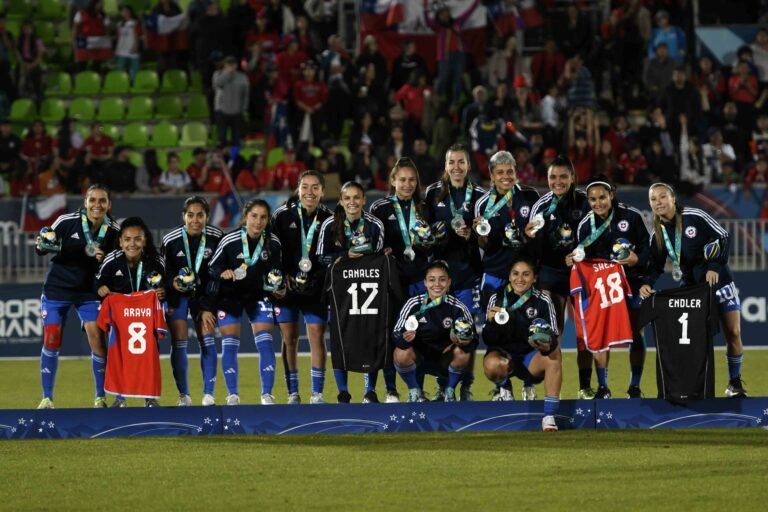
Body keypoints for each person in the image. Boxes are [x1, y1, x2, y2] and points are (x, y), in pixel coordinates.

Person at [640, 183, 747, 398]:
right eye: (653, 199)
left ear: (673, 199)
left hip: (721, 284)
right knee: (694, 341)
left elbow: (723, 236)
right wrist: (647, 283)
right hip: (692, 291)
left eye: (662, 197)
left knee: (733, 334)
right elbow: (656, 266)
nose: (658, 202)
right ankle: (691, 387)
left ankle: (734, 383)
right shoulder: (657, 234)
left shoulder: (694, 216)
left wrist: (714, 267)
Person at [35, 184, 120, 409]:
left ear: (109, 205)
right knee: (52, 337)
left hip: (89, 291)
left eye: (102, 201)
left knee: (98, 340)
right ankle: (46, 398)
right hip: (58, 288)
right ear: (85, 202)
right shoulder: (65, 221)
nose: (97, 205)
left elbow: (115, 265)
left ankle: (100, 397)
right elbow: (42, 245)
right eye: (93, 200)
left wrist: (104, 261)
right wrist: (42, 244)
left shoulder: (114, 231)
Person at [566, 178, 650, 398]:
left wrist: (636, 259)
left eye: (602, 197)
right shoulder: (585, 225)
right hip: (604, 288)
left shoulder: (631, 216)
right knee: (601, 335)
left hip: (632, 283)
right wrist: (574, 259)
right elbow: (583, 261)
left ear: (611, 194)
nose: (598, 203)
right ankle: (603, 387)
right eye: (592, 199)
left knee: (636, 333)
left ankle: (635, 386)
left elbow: (648, 250)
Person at [474, 150, 539, 400]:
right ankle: (503, 385)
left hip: (524, 276)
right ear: (491, 175)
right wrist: (479, 232)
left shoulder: (530, 196)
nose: (505, 176)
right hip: (495, 275)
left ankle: (527, 380)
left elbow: (538, 234)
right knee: (495, 329)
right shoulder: (483, 204)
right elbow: (483, 244)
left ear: (516, 172)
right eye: (500, 172)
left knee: (527, 326)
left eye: (509, 171)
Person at [526, 155, 591, 398]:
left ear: (573, 178)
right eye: (553, 177)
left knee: (584, 333)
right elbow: (532, 247)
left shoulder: (584, 203)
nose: (558, 181)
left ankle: (585, 386)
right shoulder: (541, 205)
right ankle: (544, 389)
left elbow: (593, 236)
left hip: (580, 274)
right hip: (550, 275)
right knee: (551, 334)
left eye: (563, 176)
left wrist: (579, 255)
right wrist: (529, 237)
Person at [206, 199, 283, 405]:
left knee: (266, 340)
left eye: (263, 217)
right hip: (230, 295)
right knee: (230, 343)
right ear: (245, 217)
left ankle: (267, 394)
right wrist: (224, 272)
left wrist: (278, 283)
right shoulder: (230, 240)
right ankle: (233, 395)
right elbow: (212, 268)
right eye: (254, 216)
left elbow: (276, 272)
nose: (258, 222)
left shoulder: (273, 242)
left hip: (258, 295)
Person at [370, 157, 434, 402]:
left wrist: (428, 243)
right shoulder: (380, 208)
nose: (407, 184)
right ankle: (390, 389)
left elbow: (431, 245)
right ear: (393, 181)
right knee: (390, 334)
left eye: (412, 180)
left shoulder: (425, 207)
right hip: (391, 283)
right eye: (402, 180)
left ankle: (416, 389)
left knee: (418, 333)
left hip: (419, 281)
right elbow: (372, 245)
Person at [317, 180, 385, 402]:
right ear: (341, 201)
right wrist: (343, 257)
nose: (352, 202)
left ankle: (369, 391)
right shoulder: (330, 225)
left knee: (370, 337)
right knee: (339, 338)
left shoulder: (375, 225)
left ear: (364, 200)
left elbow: (380, 256)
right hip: (339, 295)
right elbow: (319, 258)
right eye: (347, 198)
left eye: (357, 197)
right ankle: (343, 392)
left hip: (368, 293)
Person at [271, 171, 333, 404]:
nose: (310, 192)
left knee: (317, 336)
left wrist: (318, 279)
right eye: (305, 187)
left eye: (315, 187)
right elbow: (272, 250)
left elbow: (330, 254)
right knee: (290, 339)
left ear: (322, 192)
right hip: (287, 287)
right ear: (298, 189)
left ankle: (317, 393)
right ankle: (293, 393)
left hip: (315, 288)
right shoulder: (282, 215)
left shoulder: (328, 217)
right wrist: (281, 277)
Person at [94, 216, 166, 407]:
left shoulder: (156, 260)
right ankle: (120, 398)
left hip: (146, 317)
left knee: (150, 355)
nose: (132, 244)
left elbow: (167, 285)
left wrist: (163, 291)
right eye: (127, 239)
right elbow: (98, 281)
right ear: (120, 241)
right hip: (121, 317)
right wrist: (100, 289)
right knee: (118, 356)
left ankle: (150, 398)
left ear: (145, 240)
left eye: (137, 239)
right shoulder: (112, 259)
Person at [482, 257, 561, 431]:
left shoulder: (542, 300)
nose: (520, 279)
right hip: (505, 355)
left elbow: (553, 337)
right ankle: (505, 388)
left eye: (526, 274)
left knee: (555, 356)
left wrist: (545, 344)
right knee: (492, 364)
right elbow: (488, 340)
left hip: (531, 357)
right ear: (509, 276)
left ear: (534, 278)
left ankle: (549, 415)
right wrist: (490, 323)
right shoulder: (496, 297)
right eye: (515, 274)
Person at [162, 196, 224, 406]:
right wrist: (173, 283)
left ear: (207, 217)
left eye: (200, 215)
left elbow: (218, 275)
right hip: (177, 295)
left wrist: (207, 307)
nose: (195, 220)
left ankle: (208, 395)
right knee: (179, 340)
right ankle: (184, 396)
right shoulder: (170, 240)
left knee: (207, 337)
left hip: (204, 295)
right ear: (183, 216)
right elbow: (163, 272)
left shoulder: (217, 237)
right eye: (190, 215)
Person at [392, 261, 477, 402]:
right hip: (418, 359)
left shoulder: (458, 307)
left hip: (445, 360)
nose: (437, 284)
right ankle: (414, 390)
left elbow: (473, 338)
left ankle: (449, 391)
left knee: (463, 353)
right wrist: (405, 339)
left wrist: (465, 341)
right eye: (432, 280)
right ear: (425, 282)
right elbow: (396, 333)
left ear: (449, 282)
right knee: (400, 353)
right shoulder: (413, 304)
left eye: (442, 280)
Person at [213, 55, 250, 146]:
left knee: (236, 139)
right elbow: (218, 84)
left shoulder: (242, 77)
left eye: (232, 64)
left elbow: (246, 94)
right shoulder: (218, 74)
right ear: (225, 65)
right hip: (221, 110)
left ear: (236, 65)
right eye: (228, 64)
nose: (231, 66)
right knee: (222, 138)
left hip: (237, 111)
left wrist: (244, 108)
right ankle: (223, 158)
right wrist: (227, 73)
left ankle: (233, 158)